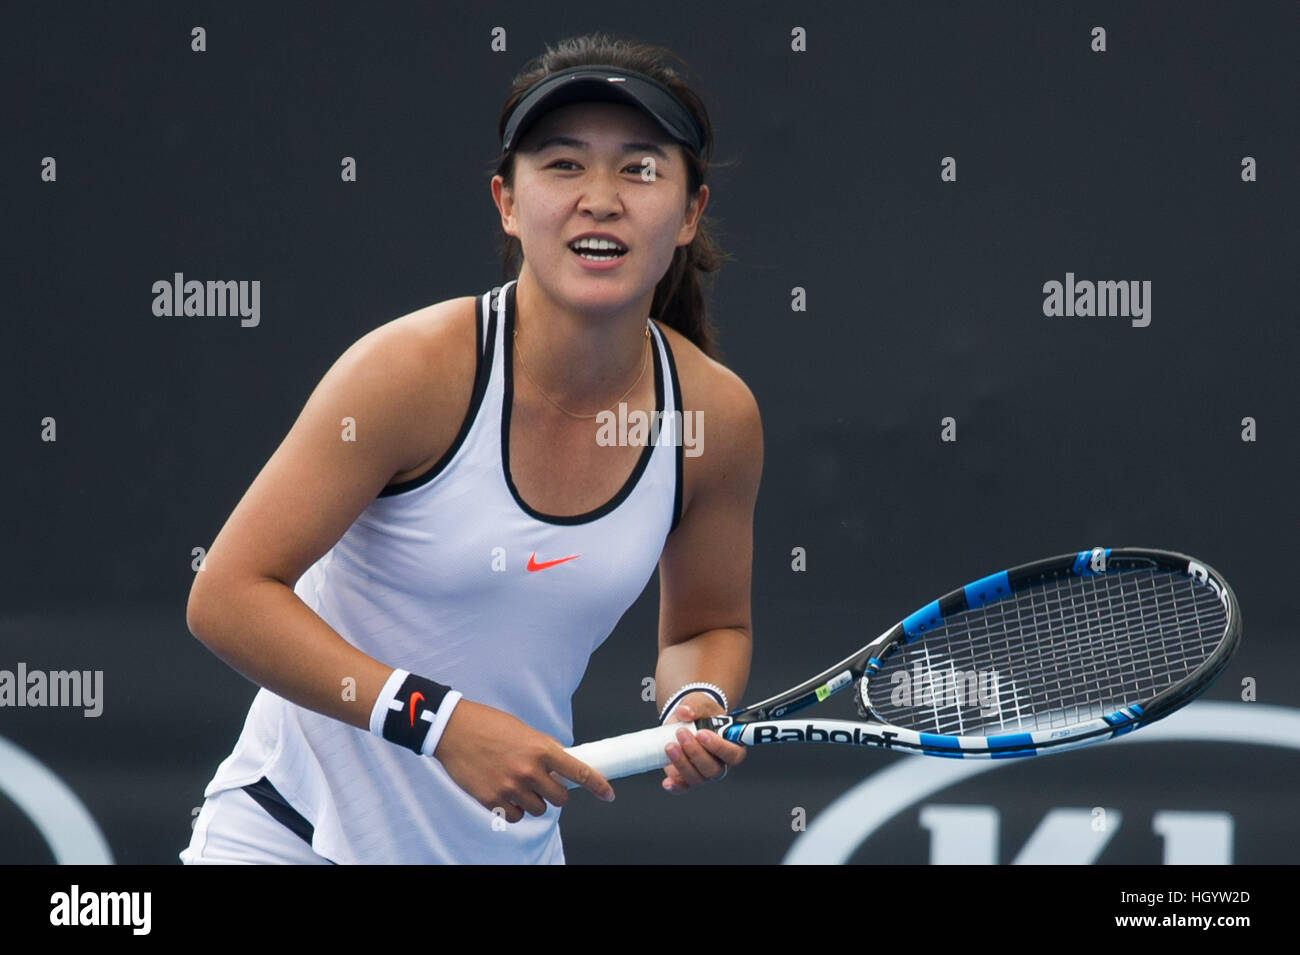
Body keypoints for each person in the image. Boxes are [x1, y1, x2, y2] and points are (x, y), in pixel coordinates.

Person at [180, 31, 763, 864]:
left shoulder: (714, 418)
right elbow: (228, 595)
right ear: (508, 203)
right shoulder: (409, 372)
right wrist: (438, 721)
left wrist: (696, 700)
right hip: (282, 840)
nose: (600, 197)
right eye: (563, 164)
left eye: (640, 168)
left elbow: (707, 626)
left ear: (689, 213)